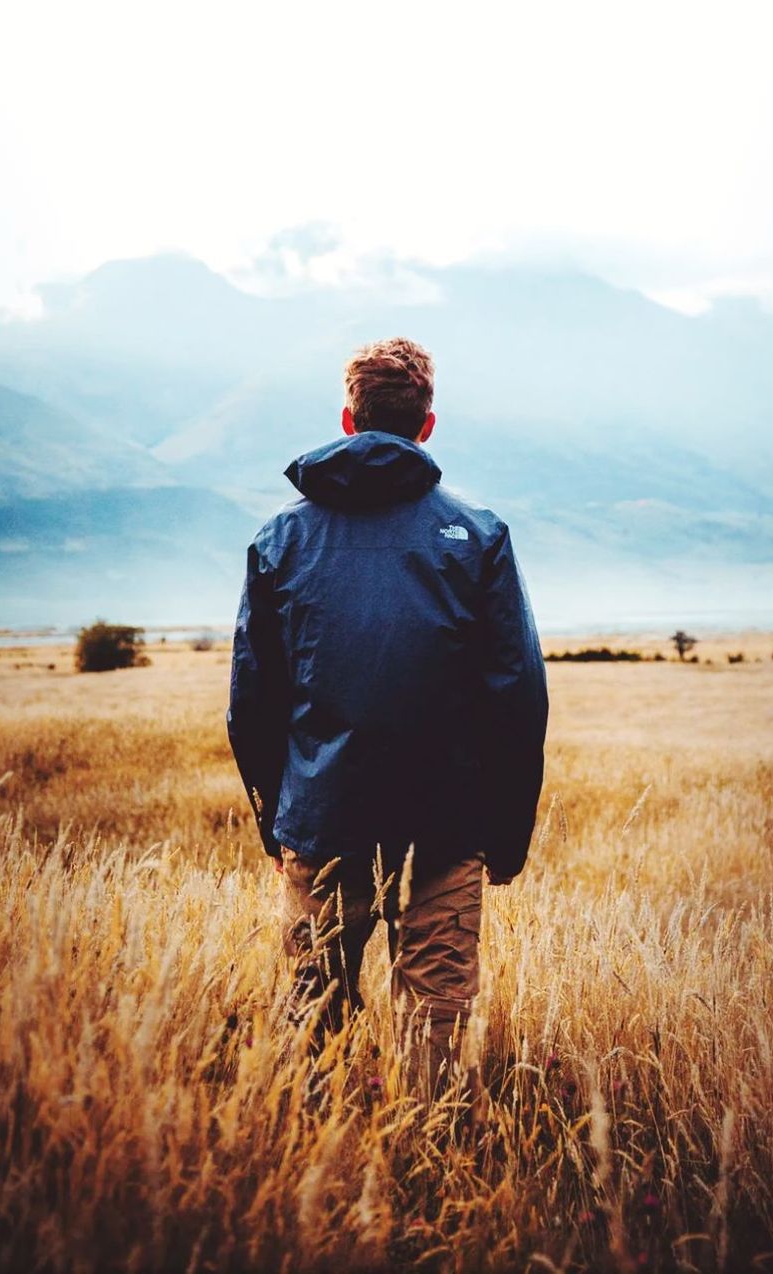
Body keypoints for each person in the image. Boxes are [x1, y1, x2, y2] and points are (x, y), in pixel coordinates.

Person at [227, 337, 548, 1094]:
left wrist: (274, 818)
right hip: (452, 815)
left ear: (348, 419)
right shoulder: (478, 537)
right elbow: (520, 697)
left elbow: (253, 700)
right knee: (436, 1000)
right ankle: (429, 1161)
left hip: (322, 808)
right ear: (427, 426)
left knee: (315, 994)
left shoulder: (281, 539)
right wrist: (506, 832)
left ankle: (316, 1156)